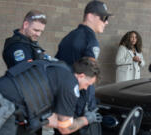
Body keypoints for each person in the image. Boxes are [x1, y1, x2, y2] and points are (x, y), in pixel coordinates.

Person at [0, 57, 102, 135]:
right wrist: (87, 119)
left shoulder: (58, 67)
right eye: (88, 84)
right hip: (5, 104)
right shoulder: (71, 85)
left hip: (9, 101)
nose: (86, 88)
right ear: (81, 76)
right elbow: (65, 128)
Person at [55, 1, 112, 135]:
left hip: (64, 103)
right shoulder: (90, 39)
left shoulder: (68, 37)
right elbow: (89, 74)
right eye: (104, 18)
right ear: (90, 16)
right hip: (80, 107)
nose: (106, 22)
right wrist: (88, 110)